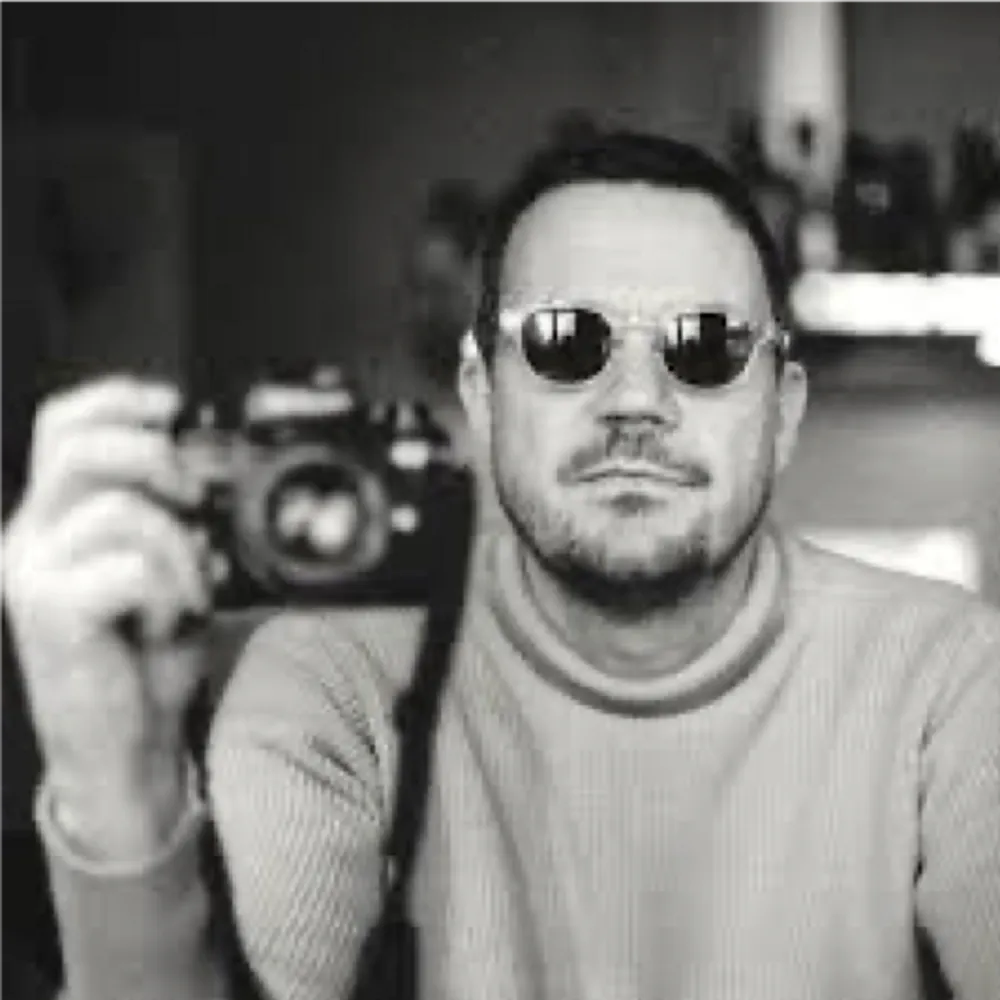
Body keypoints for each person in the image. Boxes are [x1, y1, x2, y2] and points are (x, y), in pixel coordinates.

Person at [3, 128, 1000, 1000]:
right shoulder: (340, 677)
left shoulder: (949, 673)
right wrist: (115, 778)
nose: (636, 402)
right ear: (482, 396)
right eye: (567, 342)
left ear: (782, 412)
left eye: (704, 346)